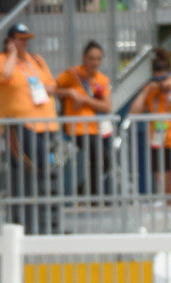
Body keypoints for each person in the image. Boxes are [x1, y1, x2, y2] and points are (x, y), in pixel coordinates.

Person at [0, 23, 61, 234]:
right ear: (10, 40)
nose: (24, 43)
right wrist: (12, 53)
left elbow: (51, 85)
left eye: (26, 39)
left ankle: (47, 222)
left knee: (44, 173)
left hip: (46, 124)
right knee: (29, 173)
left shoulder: (35, 60)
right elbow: (3, 76)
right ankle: (27, 224)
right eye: (20, 39)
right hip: (21, 125)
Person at [129, 48, 171, 197]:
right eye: (157, 79)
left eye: (163, 79)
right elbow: (134, 113)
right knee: (166, 190)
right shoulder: (151, 90)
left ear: (170, 74)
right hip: (159, 140)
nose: (160, 83)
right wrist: (145, 92)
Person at [56, 41, 112, 197]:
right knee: (98, 155)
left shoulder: (102, 79)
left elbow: (107, 106)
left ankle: (85, 192)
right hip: (77, 127)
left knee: (104, 159)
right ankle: (91, 194)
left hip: (97, 128)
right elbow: (53, 89)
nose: (95, 62)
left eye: (98, 59)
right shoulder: (72, 74)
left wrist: (85, 100)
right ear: (84, 58)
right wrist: (70, 93)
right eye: (91, 58)